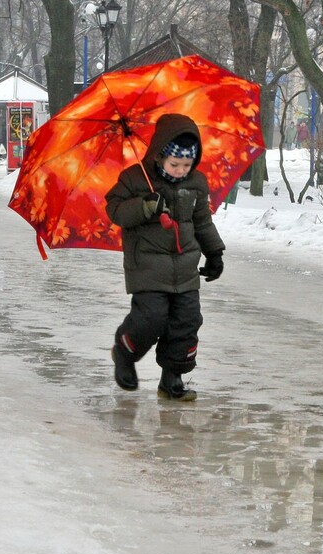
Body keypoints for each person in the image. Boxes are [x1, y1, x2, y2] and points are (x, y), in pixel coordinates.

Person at [104, 113, 226, 401]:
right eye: (175, 164)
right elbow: (116, 210)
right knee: (151, 318)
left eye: (187, 164)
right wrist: (145, 207)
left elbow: (202, 221)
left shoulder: (196, 183)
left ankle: (172, 376)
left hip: (185, 268)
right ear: (159, 156)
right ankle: (125, 352)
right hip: (147, 266)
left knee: (186, 321)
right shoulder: (135, 179)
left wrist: (214, 253)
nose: (181, 170)